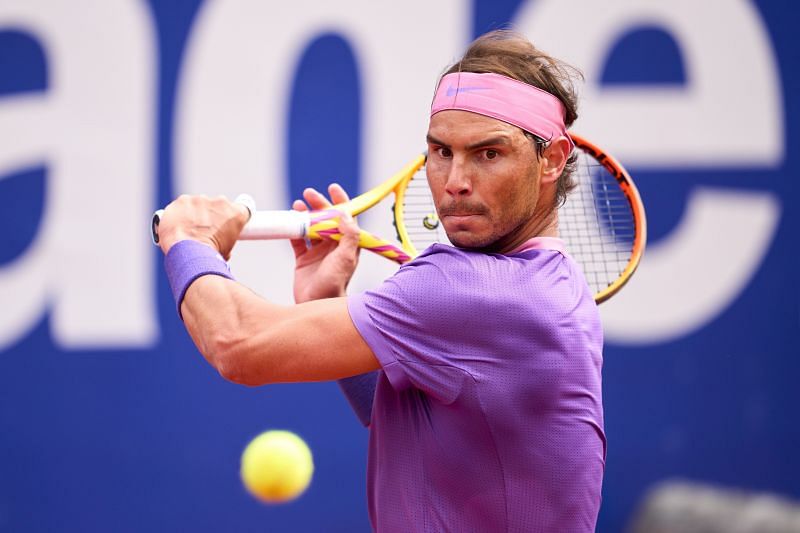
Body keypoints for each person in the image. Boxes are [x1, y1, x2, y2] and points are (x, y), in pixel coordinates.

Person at [157, 30, 605, 532]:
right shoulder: (554, 283)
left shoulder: (469, 289)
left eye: (488, 154)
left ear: (552, 158)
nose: (455, 179)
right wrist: (327, 298)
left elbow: (237, 343)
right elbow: (436, 425)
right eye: (441, 152)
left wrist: (190, 242)